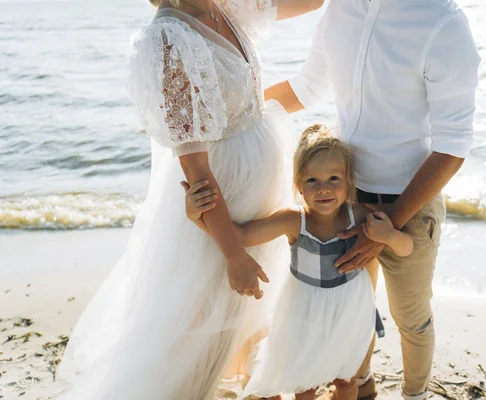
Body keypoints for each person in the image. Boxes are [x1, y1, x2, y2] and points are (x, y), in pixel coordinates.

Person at [57, 0, 322, 398]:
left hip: (259, 190)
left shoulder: (226, 7)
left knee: (247, 318)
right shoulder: (168, 39)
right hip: (222, 201)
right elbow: (197, 175)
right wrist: (234, 255)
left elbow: (310, 2)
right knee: (199, 330)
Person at [264, 0, 481, 398]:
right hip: (345, 200)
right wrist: (235, 111)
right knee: (353, 308)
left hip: (411, 203)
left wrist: (392, 224)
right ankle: (362, 386)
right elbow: (306, 87)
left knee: (409, 318)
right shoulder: (338, 10)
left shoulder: (443, 22)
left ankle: (414, 395)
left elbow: (453, 146)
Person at [184, 124, 413, 400]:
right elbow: (240, 235)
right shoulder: (295, 221)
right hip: (305, 313)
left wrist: (388, 235)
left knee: (346, 380)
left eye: (334, 178)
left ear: (349, 181)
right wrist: (196, 217)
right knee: (305, 385)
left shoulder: (361, 216)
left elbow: (405, 248)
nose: (323, 189)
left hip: (350, 311)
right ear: (298, 185)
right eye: (312, 181)